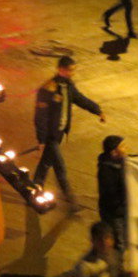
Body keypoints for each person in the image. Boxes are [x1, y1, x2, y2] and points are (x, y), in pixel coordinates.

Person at [34, 56, 105, 213]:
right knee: (60, 167)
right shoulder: (47, 89)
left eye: (73, 70)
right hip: (51, 136)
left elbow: (80, 99)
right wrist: (41, 139)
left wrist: (97, 110)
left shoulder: (68, 85)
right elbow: (40, 117)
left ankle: (34, 189)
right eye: (70, 70)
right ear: (61, 69)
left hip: (59, 133)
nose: (73, 73)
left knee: (45, 163)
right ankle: (71, 201)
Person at [60, 222, 133, 277]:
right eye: (99, 239)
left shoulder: (116, 256)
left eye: (107, 237)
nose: (104, 242)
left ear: (112, 239)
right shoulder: (85, 266)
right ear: (93, 241)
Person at [97, 136, 128, 253]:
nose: (126, 149)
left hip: (121, 211)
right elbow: (111, 196)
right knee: (119, 245)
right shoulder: (106, 172)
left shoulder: (120, 161)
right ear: (114, 152)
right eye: (123, 147)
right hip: (114, 215)